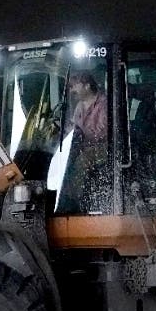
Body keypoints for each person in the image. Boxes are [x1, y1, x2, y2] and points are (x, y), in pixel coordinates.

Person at [58, 71, 110, 213]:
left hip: (105, 148)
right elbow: (74, 126)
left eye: (75, 86)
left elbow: (103, 132)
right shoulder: (80, 105)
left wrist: (80, 133)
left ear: (87, 86)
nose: (72, 90)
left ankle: (73, 202)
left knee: (82, 161)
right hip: (83, 145)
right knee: (62, 159)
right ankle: (58, 197)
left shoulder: (104, 104)